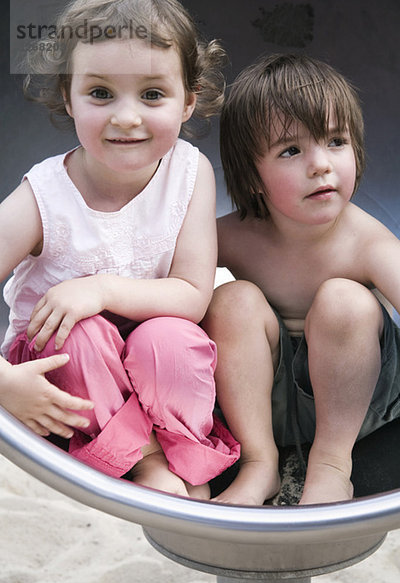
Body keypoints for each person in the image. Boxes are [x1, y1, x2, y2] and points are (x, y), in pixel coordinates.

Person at [0, 0, 239, 498]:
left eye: (152, 94)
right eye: (101, 93)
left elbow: (194, 294)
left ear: (188, 102)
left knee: (170, 337)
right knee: (81, 332)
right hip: (65, 381)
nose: (126, 117)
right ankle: (145, 463)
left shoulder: (189, 173)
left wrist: (103, 288)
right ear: (69, 98)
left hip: (151, 364)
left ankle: (183, 456)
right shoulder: (43, 197)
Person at [202, 53, 400, 505]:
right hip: (258, 405)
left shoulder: (365, 240)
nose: (320, 165)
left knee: (343, 300)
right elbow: (167, 282)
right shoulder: (231, 237)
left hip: (358, 401)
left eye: (335, 141)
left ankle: (331, 466)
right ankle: (259, 464)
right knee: (230, 300)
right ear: (252, 177)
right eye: (291, 150)